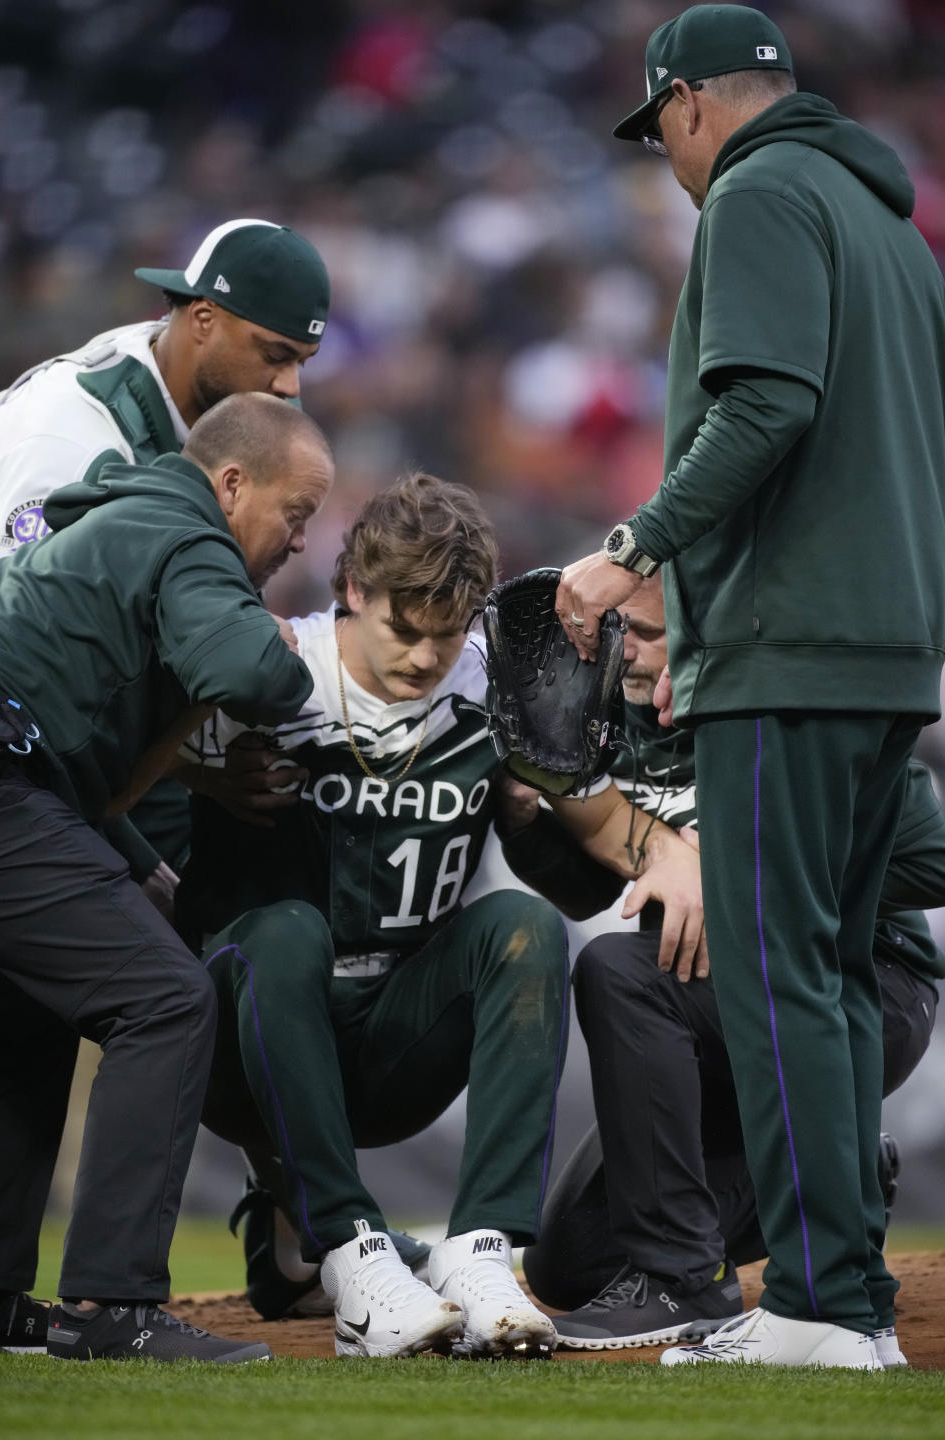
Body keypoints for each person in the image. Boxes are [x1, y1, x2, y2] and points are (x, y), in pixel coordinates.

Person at [556, 4, 945, 1369]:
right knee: (829, 981)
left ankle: (815, 1309)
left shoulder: (762, 193)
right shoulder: (891, 229)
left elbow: (767, 408)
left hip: (795, 653)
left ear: (691, 106)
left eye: (659, 128)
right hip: (885, 647)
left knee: (780, 983)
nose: (665, 155)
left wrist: (636, 548)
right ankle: (849, 1301)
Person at [173, 473, 704, 1360]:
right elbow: (111, 771)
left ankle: (480, 1254)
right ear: (353, 589)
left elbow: (606, 823)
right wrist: (197, 771)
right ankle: (349, 1253)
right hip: (247, 1044)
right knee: (283, 929)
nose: (425, 657)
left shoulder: (494, 685)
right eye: (403, 628)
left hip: (396, 1040)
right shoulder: (267, 670)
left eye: (447, 630)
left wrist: (677, 858)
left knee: (523, 929)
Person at [514, 575, 942, 1369]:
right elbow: (585, 890)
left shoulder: (775, 708)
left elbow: (933, 855)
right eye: (615, 631)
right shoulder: (614, 719)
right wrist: (521, 815)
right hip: (710, 1007)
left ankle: (680, 1279)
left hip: (864, 988)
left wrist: (745, 862)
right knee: (565, 1262)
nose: (623, 651)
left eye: (642, 631)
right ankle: (848, 1170)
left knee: (618, 973)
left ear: (708, 634)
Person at [0, 392, 334, 1361]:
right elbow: (256, 674)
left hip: (14, 777)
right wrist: (308, 657)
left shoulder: (123, 517)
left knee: (27, 1018)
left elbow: (93, 788)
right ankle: (113, 1305)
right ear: (230, 484)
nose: (300, 543)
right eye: (295, 514)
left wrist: (138, 866)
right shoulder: (184, 530)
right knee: (166, 1001)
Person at [0, 215, 330, 888]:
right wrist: (143, 863)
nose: (291, 385)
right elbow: (28, 682)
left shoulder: (209, 419)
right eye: (275, 353)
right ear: (202, 318)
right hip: (22, 774)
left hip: (113, 764)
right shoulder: (67, 435)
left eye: (302, 362)